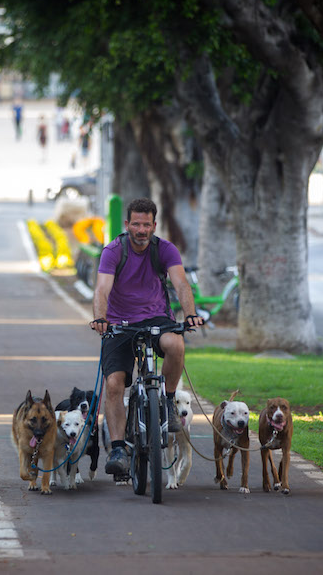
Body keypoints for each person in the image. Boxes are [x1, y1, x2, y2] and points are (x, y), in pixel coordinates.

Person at [89, 198, 204, 476]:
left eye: (146, 224)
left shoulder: (164, 249)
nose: (141, 229)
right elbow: (102, 289)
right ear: (127, 224)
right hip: (119, 323)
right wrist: (101, 319)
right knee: (115, 384)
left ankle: (167, 401)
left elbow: (180, 283)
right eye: (136, 224)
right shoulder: (114, 251)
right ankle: (118, 448)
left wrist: (189, 314)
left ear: (154, 225)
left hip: (156, 318)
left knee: (175, 343)